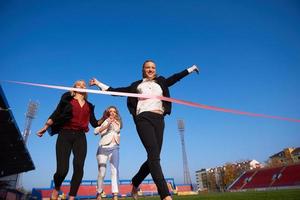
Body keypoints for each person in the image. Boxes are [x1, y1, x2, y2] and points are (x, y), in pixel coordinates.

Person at [90, 60, 199, 200]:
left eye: (153, 67)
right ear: (143, 69)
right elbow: (115, 91)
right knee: (154, 157)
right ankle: (165, 195)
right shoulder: (137, 85)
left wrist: (190, 69)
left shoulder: (161, 81)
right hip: (143, 119)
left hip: (159, 119)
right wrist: (99, 83)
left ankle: (135, 182)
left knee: (153, 157)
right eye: (147, 67)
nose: (150, 69)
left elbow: (176, 77)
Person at [37, 80, 103, 200]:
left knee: (79, 166)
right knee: (62, 170)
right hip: (65, 135)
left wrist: (104, 117)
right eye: (79, 84)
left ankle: (72, 197)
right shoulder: (67, 100)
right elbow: (56, 113)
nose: (82, 86)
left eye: (84, 85)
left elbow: (94, 123)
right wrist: (45, 127)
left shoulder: (89, 106)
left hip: (80, 137)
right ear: (74, 88)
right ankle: (57, 188)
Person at [94, 106, 122, 200]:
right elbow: (95, 131)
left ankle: (115, 195)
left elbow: (117, 130)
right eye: (110, 111)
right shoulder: (104, 122)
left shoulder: (118, 123)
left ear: (116, 113)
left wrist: (113, 122)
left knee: (115, 171)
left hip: (114, 148)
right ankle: (99, 192)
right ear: (107, 113)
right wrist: (106, 125)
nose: (112, 113)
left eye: (114, 111)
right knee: (102, 172)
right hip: (103, 148)